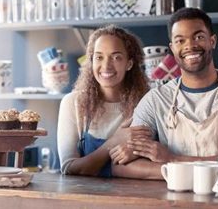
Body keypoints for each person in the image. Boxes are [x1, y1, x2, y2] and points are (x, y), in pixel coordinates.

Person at [110, 8, 218, 179]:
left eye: (198, 37)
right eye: (180, 40)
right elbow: (121, 166)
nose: (190, 46)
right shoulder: (155, 100)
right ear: (172, 47)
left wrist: (173, 160)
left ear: (212, 41)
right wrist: (176, 171)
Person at [57, 25, 151, 177]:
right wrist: (114, 142)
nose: (106, 66)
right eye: (99, 57)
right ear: (91, 61)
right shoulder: (72, 103)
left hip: (132, 196)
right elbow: (69, 168)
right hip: (85, 196)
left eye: (116, 57)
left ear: (129, 63)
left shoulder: (146, 104)